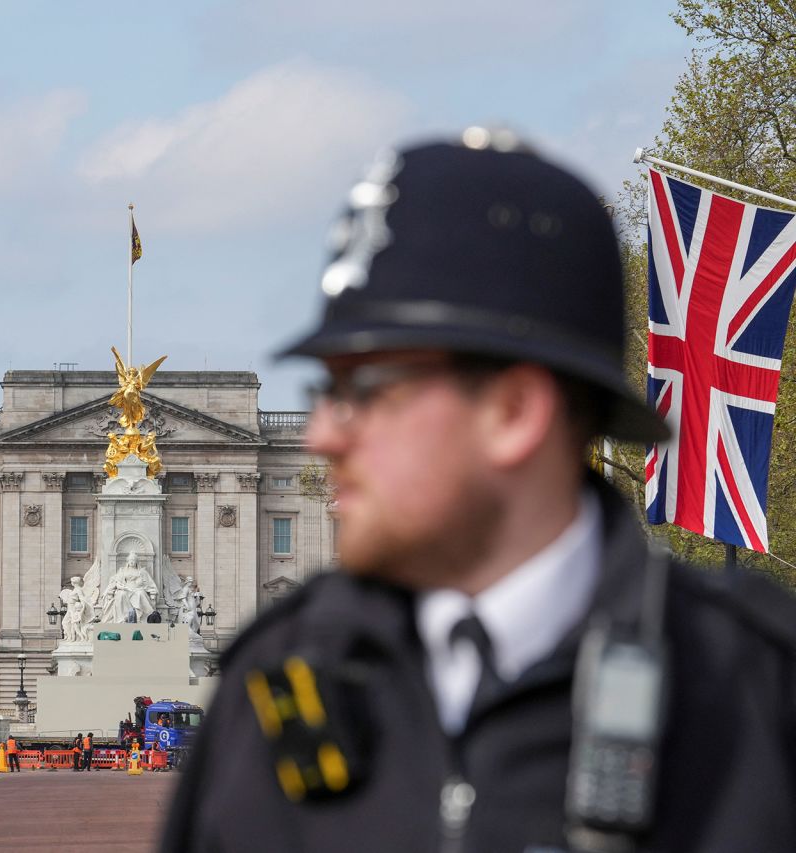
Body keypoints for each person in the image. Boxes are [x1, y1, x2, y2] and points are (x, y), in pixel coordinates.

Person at [162, 131, 796, 853]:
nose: (322, 437)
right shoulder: (272, 678)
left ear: (513, 412)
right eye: (327, 389)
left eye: (364, 391)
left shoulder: (755, 682)